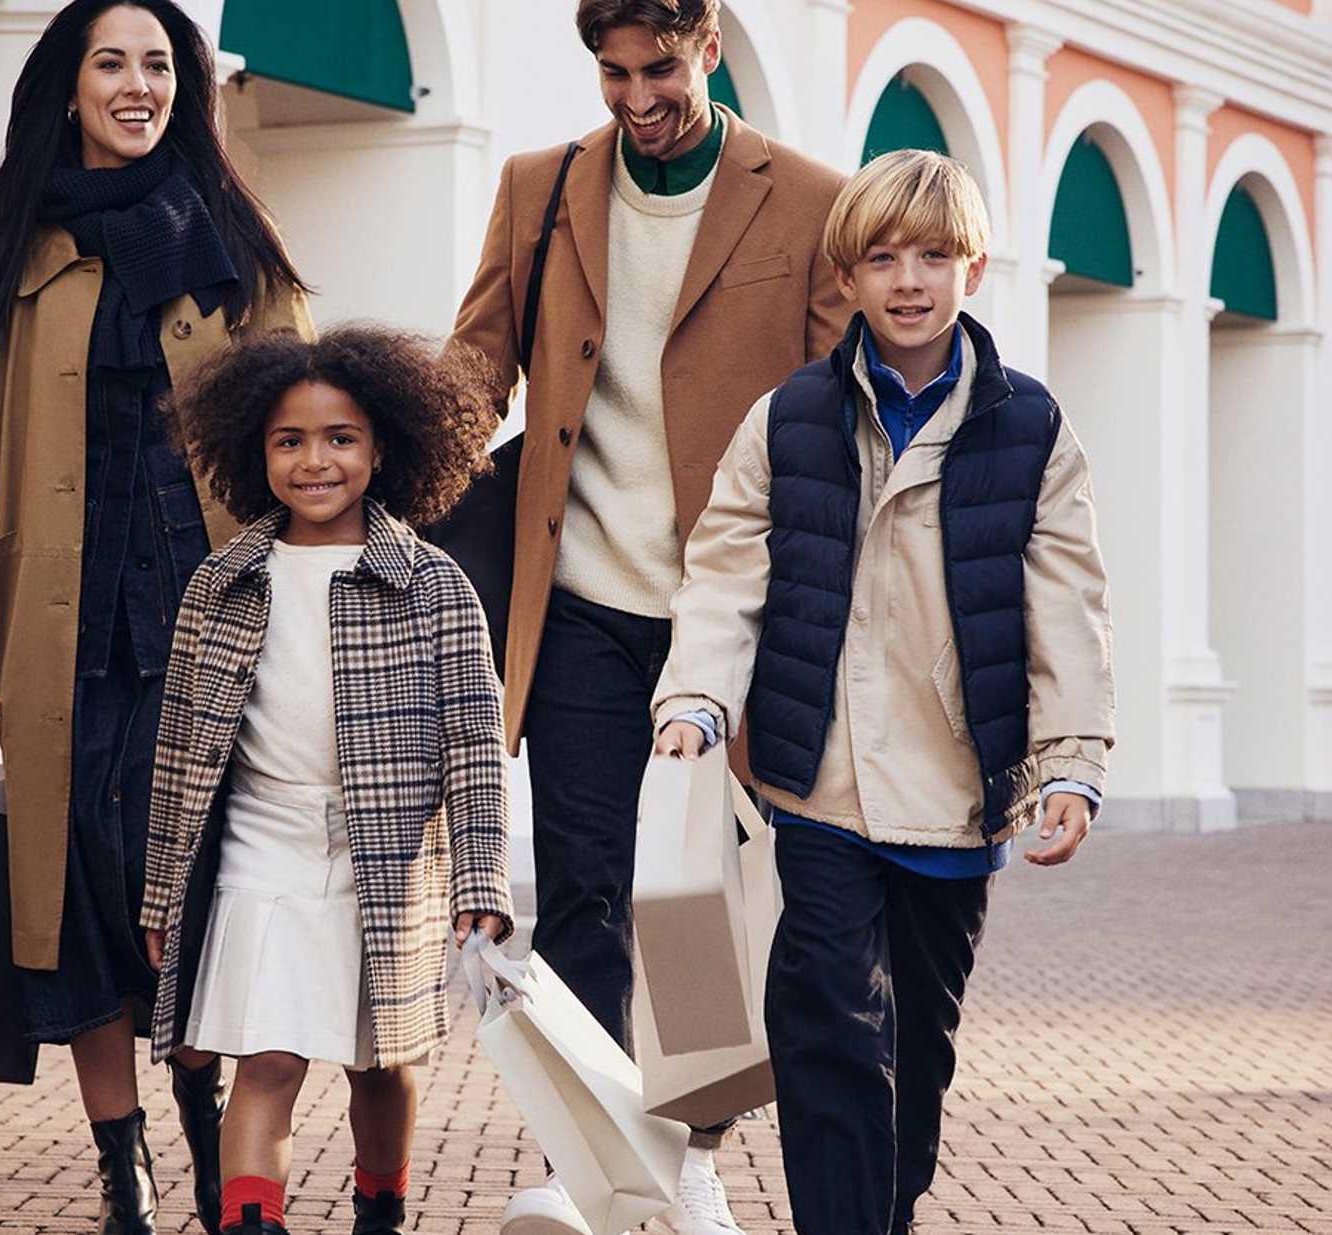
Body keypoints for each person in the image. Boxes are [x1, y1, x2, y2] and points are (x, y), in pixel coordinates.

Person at [649, 149, 1117, 1234]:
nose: (908, 280)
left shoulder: (1029, 426)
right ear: (846, 277)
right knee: (826, 1028)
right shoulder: (790, 418)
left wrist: (1073, 762)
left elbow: (1067, 605)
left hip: (958, 785)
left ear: (974, 267)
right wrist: (695, 702)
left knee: (916, 1052)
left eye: (933, 256)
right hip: (820, 778)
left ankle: (883, 1211)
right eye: (882, 258)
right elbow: (725, 571)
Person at [0, 3, 312, 1231]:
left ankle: (197, 1094)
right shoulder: (14, 260)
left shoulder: (236, 244)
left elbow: (301, 429)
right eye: (111, 64)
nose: (137, 87)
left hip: (211, 619)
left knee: (188, 881)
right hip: (59, 628)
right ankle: (119, 1152)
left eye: (158, 66)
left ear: (185, 87)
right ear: (68, 87)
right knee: (74, 888)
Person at [450, 3, 849, 1230]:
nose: (635, 98)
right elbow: (474, 370)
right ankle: (589, 1158)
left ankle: (684, 1153)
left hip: (728, 613)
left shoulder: (812, 201)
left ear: (710, 48)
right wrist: (374, 479)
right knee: (577, 885)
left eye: (659, 70)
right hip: (574, 603)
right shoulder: (538, 188)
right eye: (614, 73)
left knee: (696, 897)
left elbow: (840, 413)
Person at [140, 325, 515, 1235]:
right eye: (289, 440)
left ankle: (378, 1206)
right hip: (258, 849)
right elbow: (181, 751)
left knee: (378, 1063)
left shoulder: (434, 584)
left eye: (340, 438)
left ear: (383, 445)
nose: (316, 461)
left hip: (385, 859)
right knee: (265, 1059)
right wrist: (161, 897)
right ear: (252, 451)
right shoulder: (221, 583)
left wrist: (480, 878)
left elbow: (474, 743)